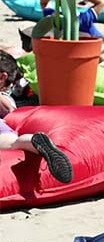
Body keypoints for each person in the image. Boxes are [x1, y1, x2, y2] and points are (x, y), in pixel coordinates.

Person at [0, 50, 73, 184]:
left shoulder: (5, 98)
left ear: (2, 77)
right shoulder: (8, 97)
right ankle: (33, 141)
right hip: (3, 128)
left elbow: (10, 109)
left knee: (11, 143)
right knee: (15, 143)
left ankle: (37, 142)